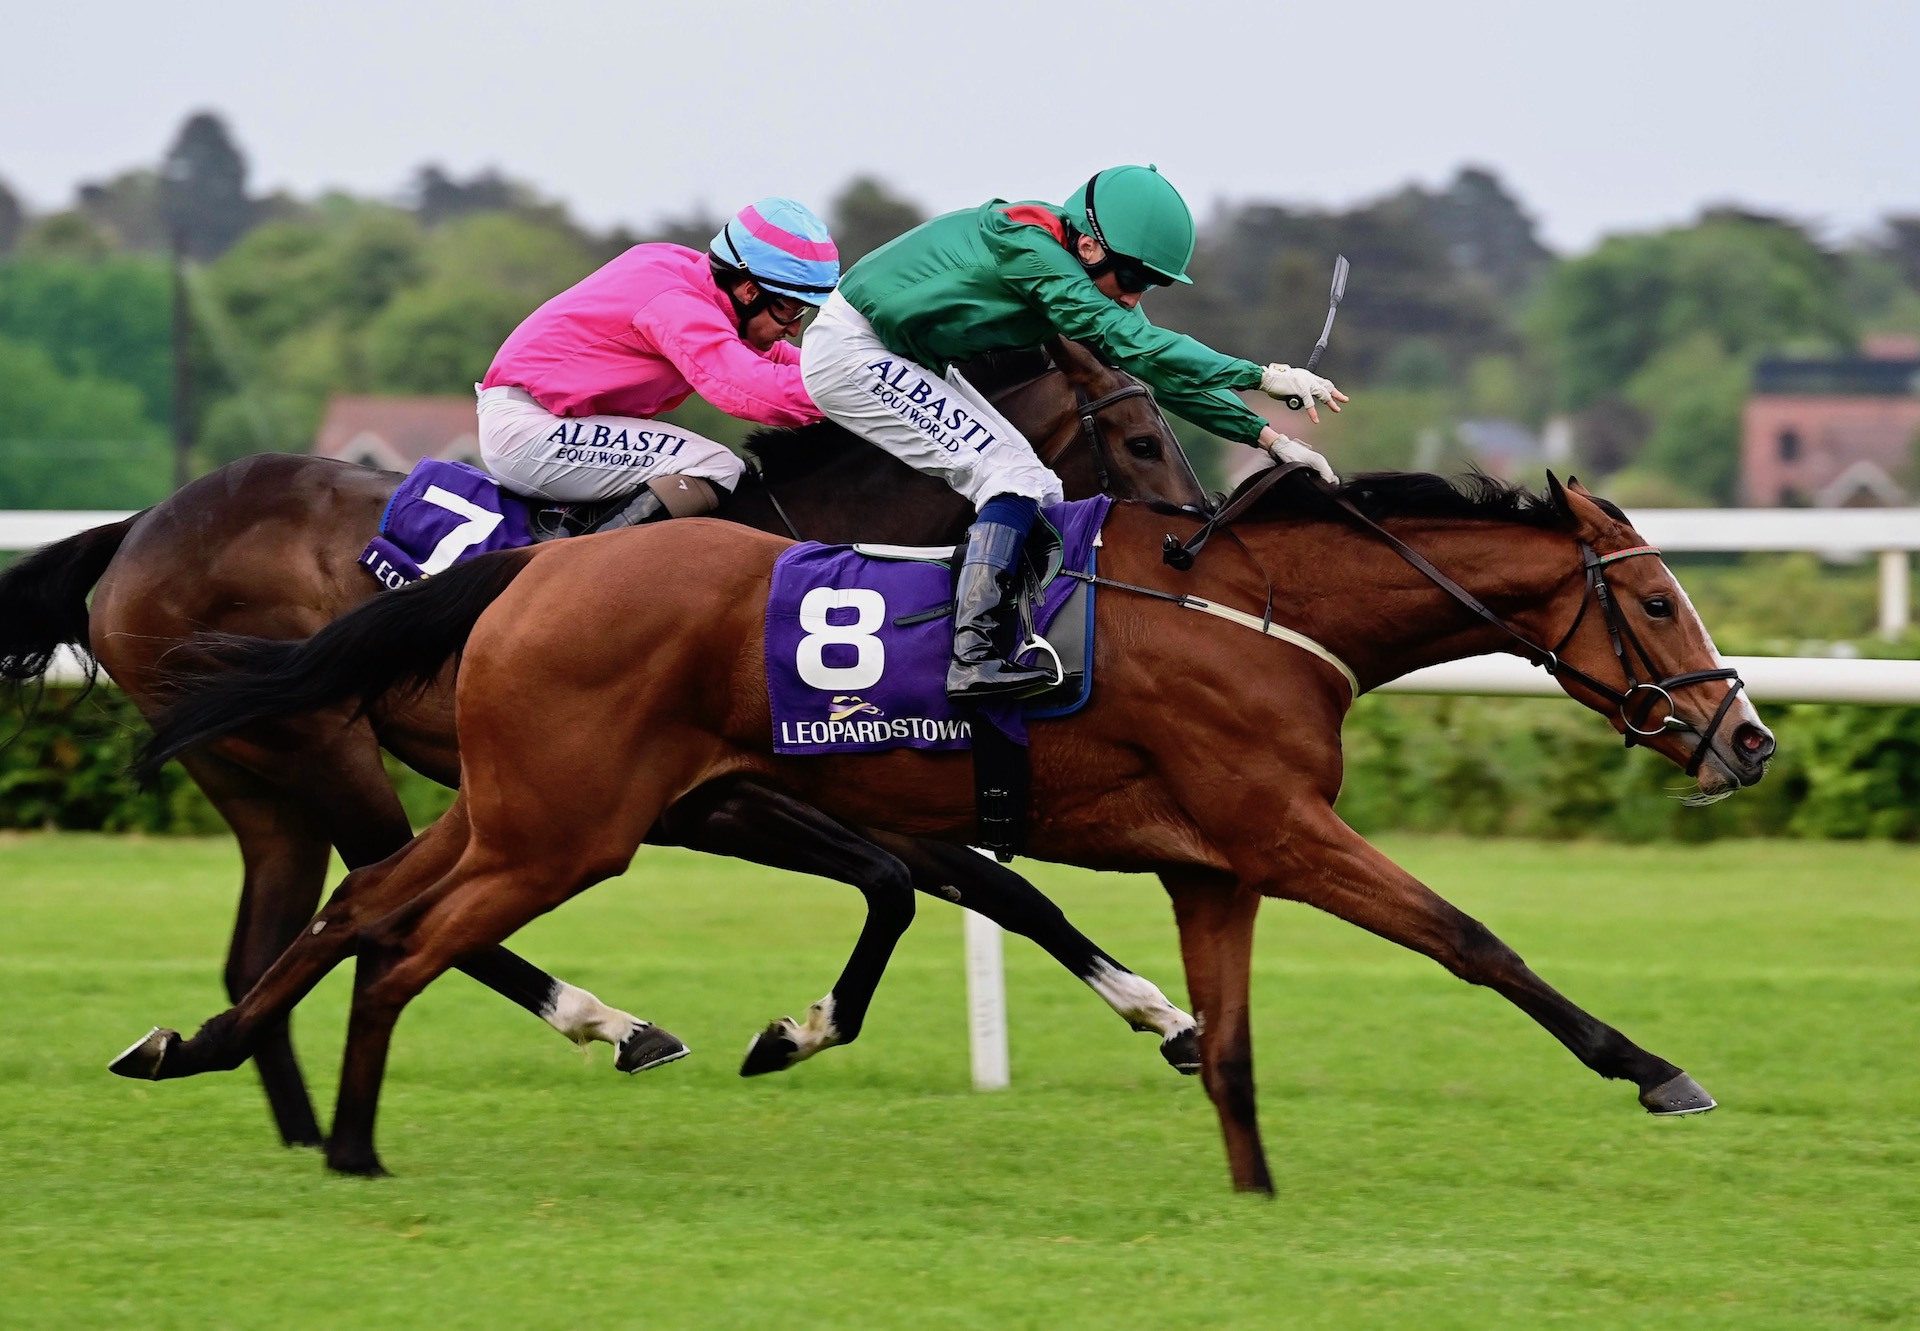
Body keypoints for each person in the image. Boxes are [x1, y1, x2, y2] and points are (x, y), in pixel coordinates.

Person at [800, 164, 1349, 700]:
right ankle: (969, 658)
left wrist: (1270, 439)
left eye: (1150, 285)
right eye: (1132, 279)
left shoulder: (1071, 276)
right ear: (1088, 248)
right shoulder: (1031, 252)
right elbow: (1140, 345)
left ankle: (1012, 639)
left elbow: (1156, 366)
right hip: (852, 351)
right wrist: (1263, 375)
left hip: (903, 358)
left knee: (1039, 488)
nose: (1134, 298)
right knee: (1008, 477)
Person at [477, 197, 839, 534]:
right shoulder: (675, 301)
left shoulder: (691, 280)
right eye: (790, 309)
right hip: (531, 432)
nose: (794, 329)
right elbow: (749, 388)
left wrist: (865, 373)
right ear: (749, 290)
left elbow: (781, 362)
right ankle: (576, 571)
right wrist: (853, 395)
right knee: (717, 466)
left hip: (555, 424)